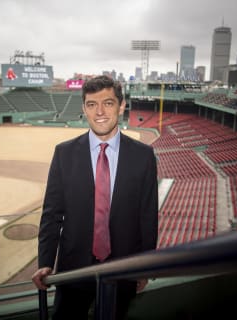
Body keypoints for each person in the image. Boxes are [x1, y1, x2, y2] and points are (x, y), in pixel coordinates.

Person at [32, 75, 159, 319]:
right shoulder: (64, 153)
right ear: (84, 109)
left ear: (121, 106)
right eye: (92, 104)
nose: (99, 111)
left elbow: (148, 217)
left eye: (108, 103)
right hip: (73, 272)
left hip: (122, 270)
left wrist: (145, 266)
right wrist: (45, 261)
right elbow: (52, 214)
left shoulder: (143, 156)